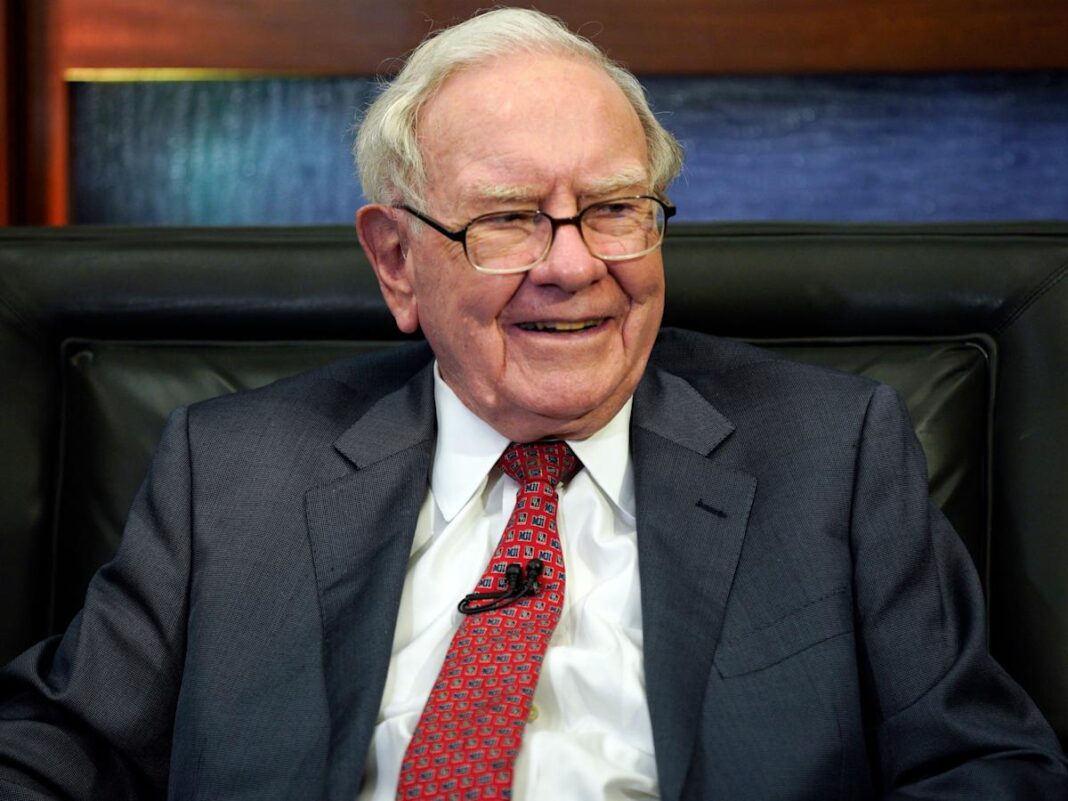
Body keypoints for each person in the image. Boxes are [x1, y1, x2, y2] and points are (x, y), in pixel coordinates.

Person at [1, 7, 1066, 801]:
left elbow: (984, 766)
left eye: (614, 209)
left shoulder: (832, 454)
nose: (574, 265)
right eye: (508, 219)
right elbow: (55, 751)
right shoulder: (233, 474)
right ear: (397, 262)